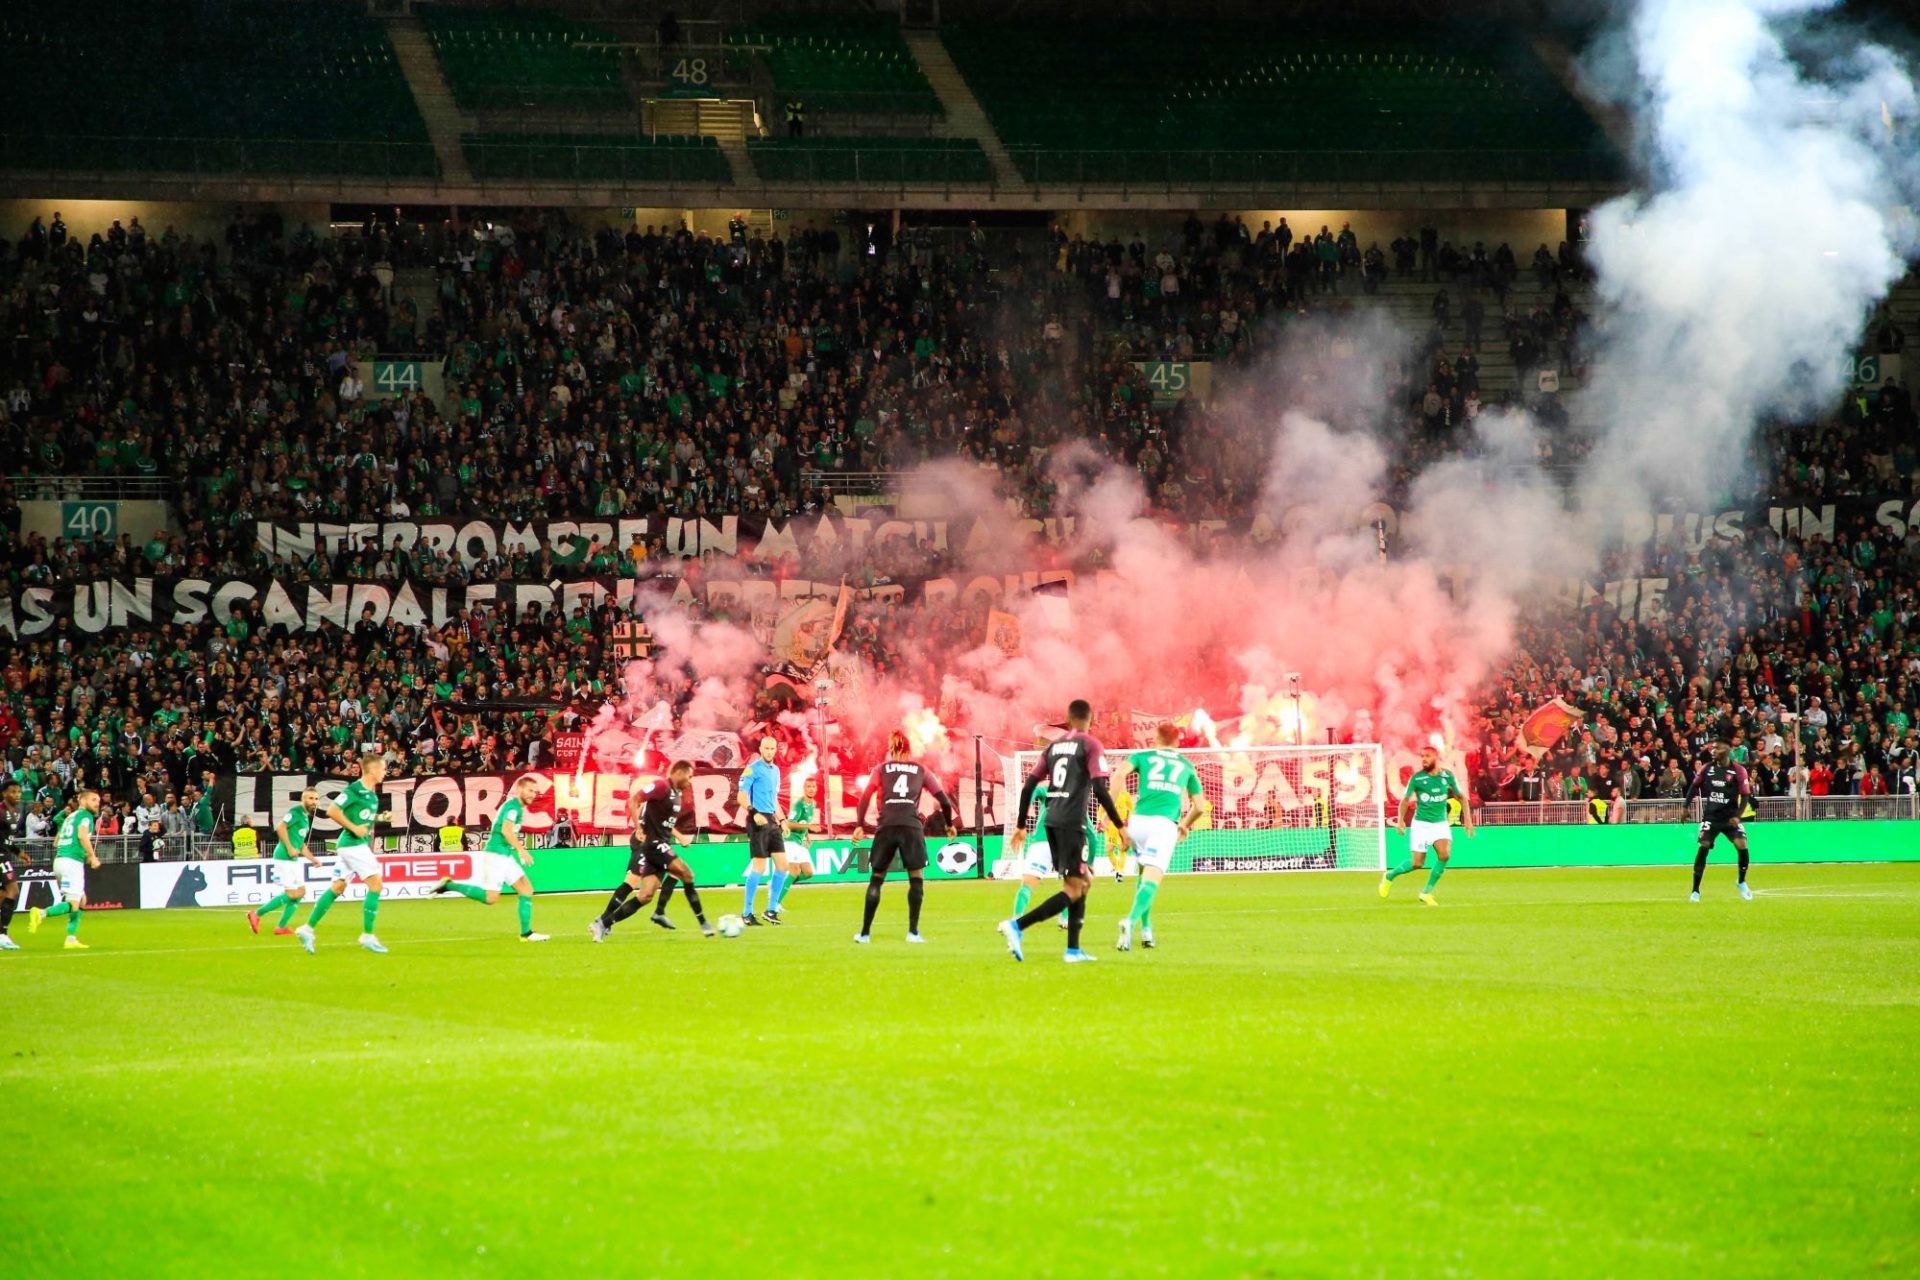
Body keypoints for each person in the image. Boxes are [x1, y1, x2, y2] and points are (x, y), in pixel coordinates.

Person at [999, 701, 1130, 963]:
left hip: (1052, 822)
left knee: (1082, 883)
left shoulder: (1054, 747)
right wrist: (1120, 825)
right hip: (1072, 822)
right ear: (1090, 721)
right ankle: (1017, 926)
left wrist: (1022, 826)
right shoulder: (1091, 744)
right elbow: (1100, 788)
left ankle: (1073, 950)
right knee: (1074, 888)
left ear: (1068, 720)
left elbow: (1028, 786)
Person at [591, 761, 713, 940]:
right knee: (687, 874)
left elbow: (662, 821)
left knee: (645, 896)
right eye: (690, 776)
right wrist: (639, 827)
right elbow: (634, 800)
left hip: (660, 844)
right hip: (653, 844)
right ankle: (704, 923)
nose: (691, 781)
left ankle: (603, 923)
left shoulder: (676, 793)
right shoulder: (660, 786)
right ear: (679, 773)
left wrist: (677, 837)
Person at [1115, 722, 1209, 952]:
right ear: (1177, 741)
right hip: (1163, 826)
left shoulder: (1142, 755)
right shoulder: (1186, 766)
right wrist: (1184, 825)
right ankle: (1130, 921)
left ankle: (1146, 931)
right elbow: (1199, 807)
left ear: (1155, 738)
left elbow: (1118, 774)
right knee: (1151, 880)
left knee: (1142, 874)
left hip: (1137, 823)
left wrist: (1111, 810)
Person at [853, 731, 953, 944]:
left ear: (891, 750)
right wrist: (949, 824)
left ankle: (864, 934)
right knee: (916, 879)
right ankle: (913, 933)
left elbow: (865, 797)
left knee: (877, 878)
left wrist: (860, 825)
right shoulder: (921, 770)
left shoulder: (881, 769)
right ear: (909, 750)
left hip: (887, 824)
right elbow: (943, 800)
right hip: (910, 826)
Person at [433, 776, 549, 941]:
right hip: (496, 854)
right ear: (519, 790)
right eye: (530, 790)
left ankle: (526, 933)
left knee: (526, 889)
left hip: (505, 854)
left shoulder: (516, 808)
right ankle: (449, 884)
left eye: (535, 791)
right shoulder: (513, 808)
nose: (533, 794)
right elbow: (506, 831)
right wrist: (522, 850)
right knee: (491, 898)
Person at [296, 753, 391, 955]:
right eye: (382, 769)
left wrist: (380, 818)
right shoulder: (354, 790)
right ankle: (368, 936)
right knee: (376, 885)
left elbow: (363, 819)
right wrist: (354, 828)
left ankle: (307, 928)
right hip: (352, 845)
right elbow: (332, 810)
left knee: (337, 887)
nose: (385, 772)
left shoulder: (372, 796)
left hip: (352, 845)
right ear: (372, 770)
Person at [1381, 745, 1474, 905]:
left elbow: (1462, 797)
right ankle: (1389, 876)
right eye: (1422, 756)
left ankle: (1426, 892)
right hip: (1421, 824)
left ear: (1436, 757)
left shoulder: (1447, 776)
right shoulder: (1417, 778)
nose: (1424, 759)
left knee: (1444, 855)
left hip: (1440, 824)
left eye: (1428, 756)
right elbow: (1405, 800)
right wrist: (1401, 820)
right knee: (1417, 863)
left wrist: (1468, 820)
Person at [1686, 738, 1755, 901]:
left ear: (1727, 749)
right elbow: (1694, 787)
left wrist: (1738, 816)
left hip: (1730, 817)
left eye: (1717, 748)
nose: (1713, 750)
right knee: (1704, 845)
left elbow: (1745, 795)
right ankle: (1695, 891)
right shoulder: (1707, 768)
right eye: (1712, 748)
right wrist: (1685, 806)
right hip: (1711, 816)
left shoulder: (1738, 770)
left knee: (1742, 844)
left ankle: (1741, 881)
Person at [33, 788, 101, 949]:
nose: (97, 804)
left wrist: (80, 852)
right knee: (73, 903)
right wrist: (92, 856)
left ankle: (71, 938)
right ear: (82, 801)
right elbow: (82, 836)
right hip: (71, 863)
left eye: (98, 801)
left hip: (60, 860)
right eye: (93, 800)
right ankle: (41, 913)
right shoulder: (85, 816)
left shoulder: (70, 816)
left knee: (82, 900)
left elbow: (57, 842)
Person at [248, 788, 320, 936]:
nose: (314, 802)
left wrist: (313, 859)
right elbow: (280, 827)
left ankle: (281, 927)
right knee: (292, 893)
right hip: (284, 857)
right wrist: (289, 848)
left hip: (291, 859)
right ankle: (257, 913)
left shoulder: (305, 818)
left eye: (316, 799)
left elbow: (300, 844)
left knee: (300, 893)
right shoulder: (296, 811)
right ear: (303, 799)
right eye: (311, 798)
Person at [738, 736, 788, 925]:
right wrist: (753, 812)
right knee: (760, 866)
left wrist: (782, 820)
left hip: (772, 820)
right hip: (757, 819)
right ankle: (747, 912)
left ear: (776, 750)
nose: (769, 751)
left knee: (783, 865)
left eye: (772, 748)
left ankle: (771, 910)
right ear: (760, 749)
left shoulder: (775, 771)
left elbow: (773, 799)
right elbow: (741, 796)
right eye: (766, 748)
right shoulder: (752, 769)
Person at [781, 776, 820, 884]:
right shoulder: (799, 805)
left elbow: (803, 822)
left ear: (816, 788)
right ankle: (776, 896)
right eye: (808, 787)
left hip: (799, 842)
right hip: (789, 841)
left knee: (808, 873)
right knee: (794, 872)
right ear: (804, 788)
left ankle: (779, 884)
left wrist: (807, 837)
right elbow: (788, 824)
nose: (811, 789)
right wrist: (809, 826)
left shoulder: (813, 804)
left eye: (813, 786)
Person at [0, 780, 23, 950]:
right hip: (0, 856)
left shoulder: (15, 813)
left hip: (5, 853)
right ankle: (3, 935)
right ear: (4, 794)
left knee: (3, 895)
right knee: (13, 890)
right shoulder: (1, 811)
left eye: (18, 792)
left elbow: (7, 839)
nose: (17, 795)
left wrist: (19, 852)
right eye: (13, 792)